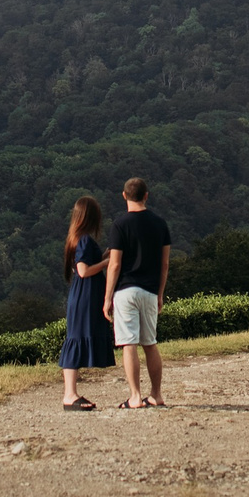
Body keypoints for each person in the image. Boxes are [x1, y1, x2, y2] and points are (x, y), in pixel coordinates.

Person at [100, 175, 172, 409]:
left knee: (128, 343)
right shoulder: (160, 224)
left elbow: (115, 264)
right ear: (146, 196)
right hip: (150, 290)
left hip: (126, 290)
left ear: (124, 196)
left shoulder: (120, 224)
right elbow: (165, 264)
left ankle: (134, 396)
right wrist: (160, 293)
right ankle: (156, 394)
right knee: (150, 343)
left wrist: (107, 296)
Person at [57, 195, 111, 409]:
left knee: (75, 338)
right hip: (86, 296)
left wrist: (104, 256)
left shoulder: (76, 238)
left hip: (80, 295)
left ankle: (71, 393)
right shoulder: (85, 240)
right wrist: (108, 262)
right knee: (75, 339)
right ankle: (69, 395)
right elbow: (83, 270)